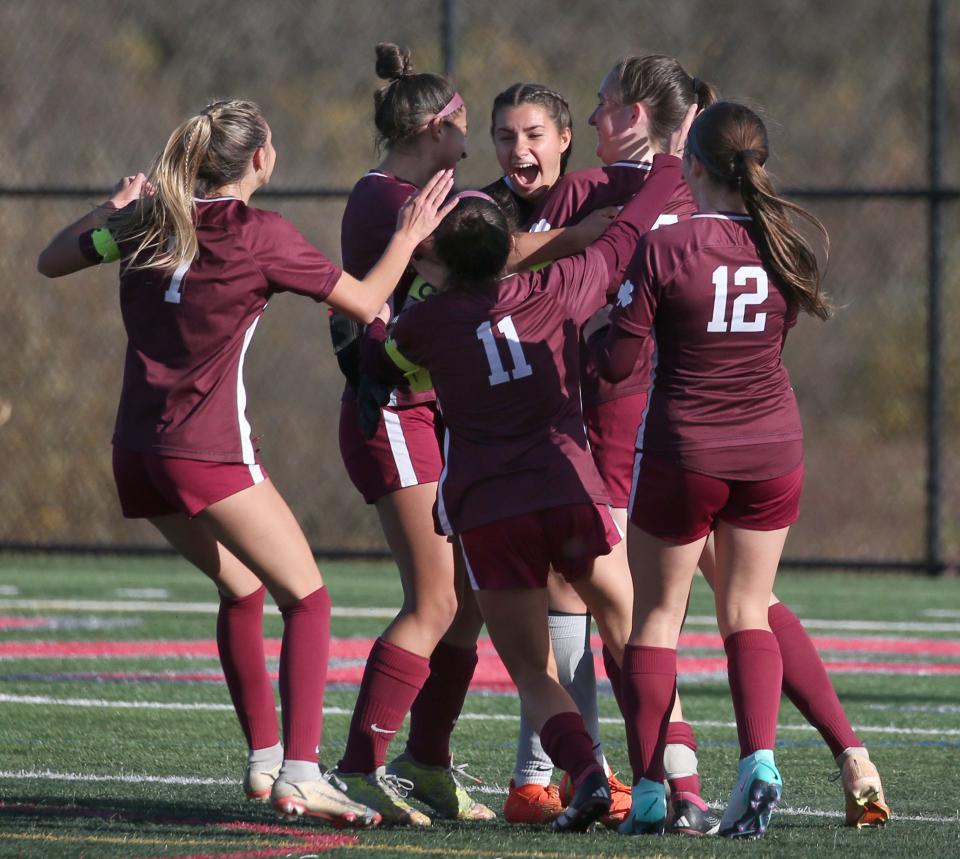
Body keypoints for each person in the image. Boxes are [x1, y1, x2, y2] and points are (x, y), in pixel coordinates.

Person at [36, 98, 455, 829]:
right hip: (207, 451)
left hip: (135, 451)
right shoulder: (259, 232)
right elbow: (363, 301)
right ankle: (300, 772)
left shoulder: (147, 220)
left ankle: (266, 757)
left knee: (242, 589)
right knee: (310, 599)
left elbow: (51, 260)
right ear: (260, 160)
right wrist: (409, 234)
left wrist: (112, 205)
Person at [363, 148, 691, 833]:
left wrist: (403, 261)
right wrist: (667, 171)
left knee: (533, 670)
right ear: (510, 250)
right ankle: (668, 778)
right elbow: (624, 234)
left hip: (491, 509)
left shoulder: (425, 322)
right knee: (630, 630)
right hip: (568, 486)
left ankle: (590, 774)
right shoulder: (562, 285)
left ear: (442, 263)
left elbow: (381, 351)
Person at [597, 100, 836, 838]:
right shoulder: (786, 242)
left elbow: (619, 363)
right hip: (772, 448)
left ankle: (645, 792)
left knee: (658, 619)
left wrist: (595, 326)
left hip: (685, 448)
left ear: (692, 165)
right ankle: (758, 763)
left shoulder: (667, 246)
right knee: (747, 607)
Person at [526, 57, 721, 836]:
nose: (594, 122)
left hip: (624, 421)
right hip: (693, 426)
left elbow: (527, 286)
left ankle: (627, 780)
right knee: (703, 608)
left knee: (612, 608)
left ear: (635, 113)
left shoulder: (614, 192)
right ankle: (688, 783)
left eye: (603, 107)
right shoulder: (694, 191)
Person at [330, 42, 494, 827]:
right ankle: (356, 768)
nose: (475, 132)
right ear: (435, 126)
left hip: (430, 411)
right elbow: (486, 257)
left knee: (468, 603)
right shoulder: (383, 198)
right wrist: (592, 232)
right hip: (391, 408)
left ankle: (427, 760)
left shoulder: (419, 189)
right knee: (434, 600)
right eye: (463, 119)